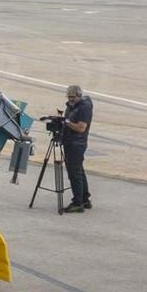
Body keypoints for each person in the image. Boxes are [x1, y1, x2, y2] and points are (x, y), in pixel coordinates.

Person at [59, 84, 93, 212]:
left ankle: (78, 202)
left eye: (73, 97)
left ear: (79, 96)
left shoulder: (84, 108)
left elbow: (81, 127)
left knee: (75, 174)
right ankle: (85, 199)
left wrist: (66, 122)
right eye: (69, 97)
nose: (70, 100)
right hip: (72, 143)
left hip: (76, 144)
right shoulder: (74, 106)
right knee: (79, 171)